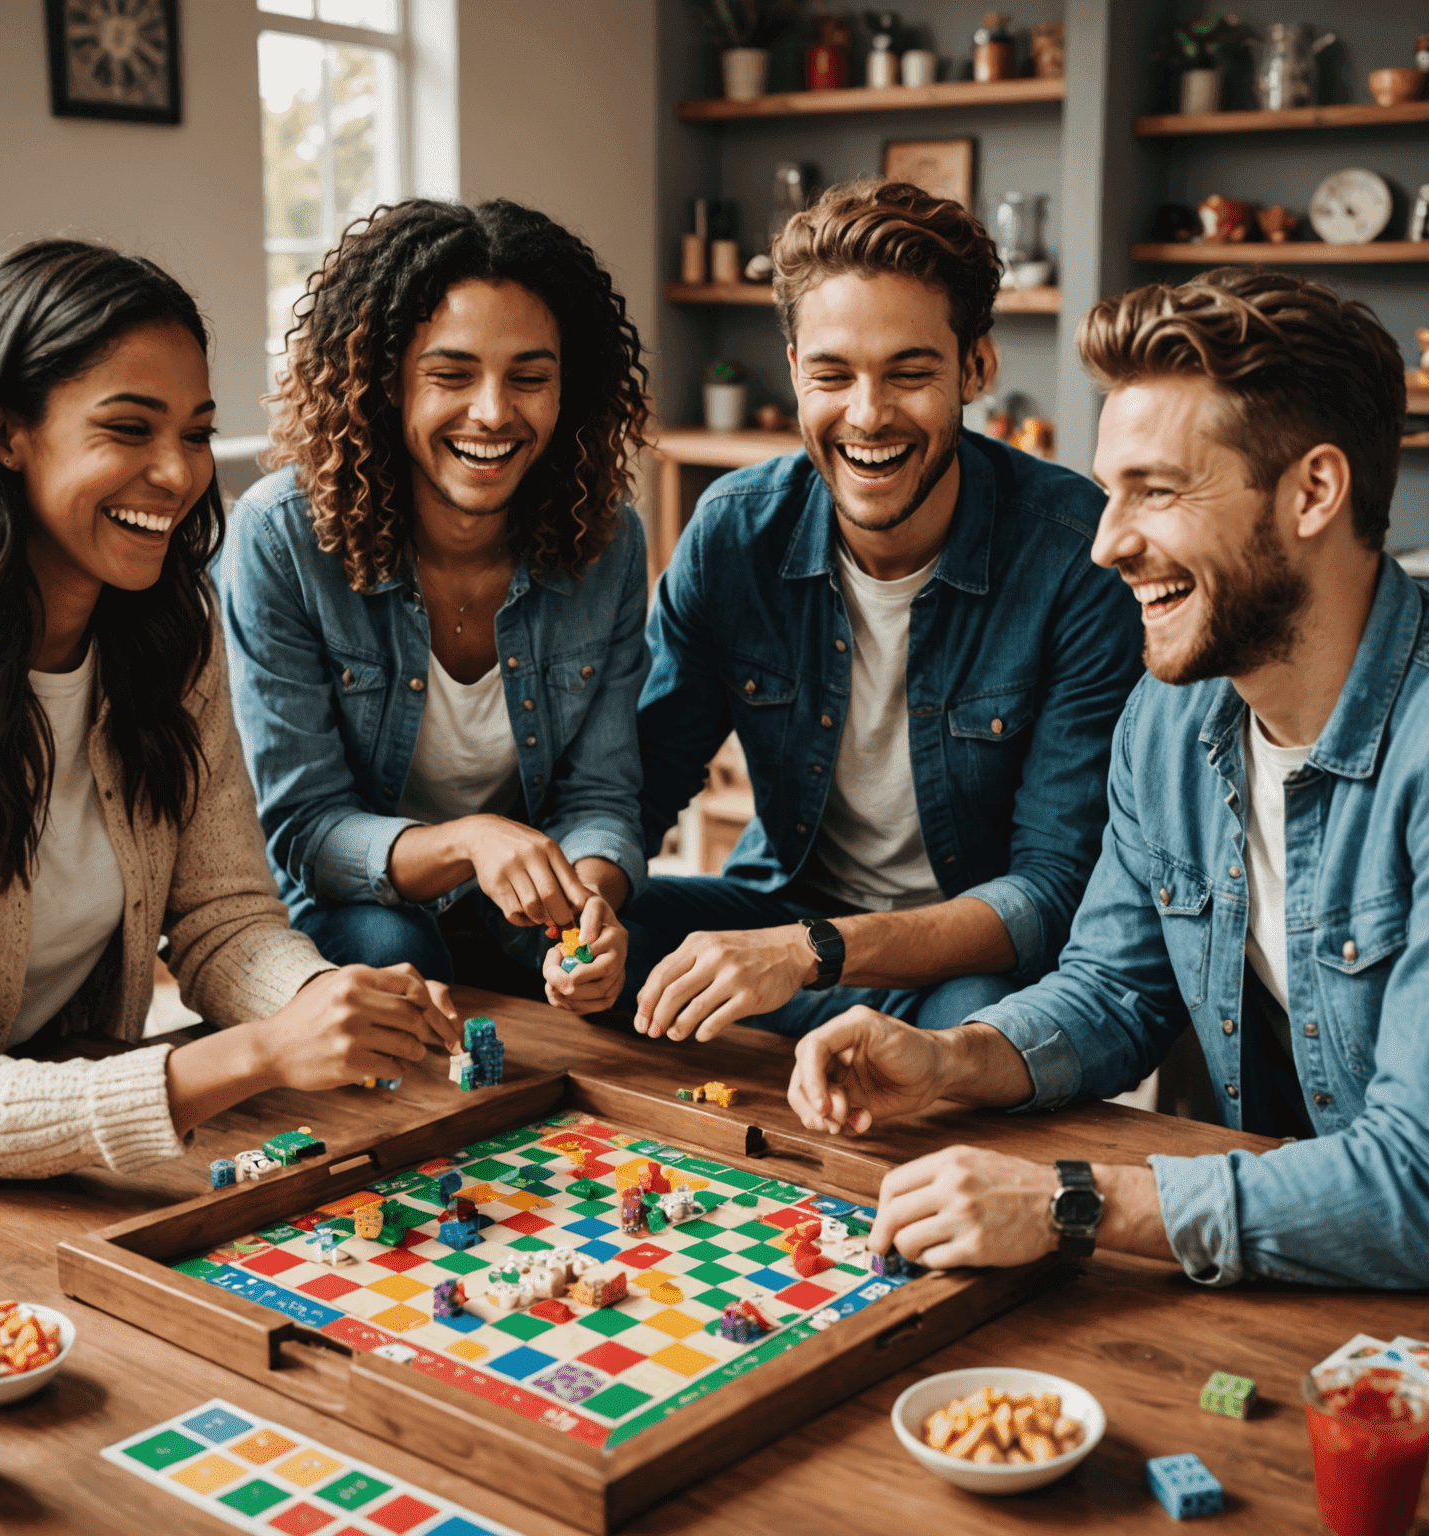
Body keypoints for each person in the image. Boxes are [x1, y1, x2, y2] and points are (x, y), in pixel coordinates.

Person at [789, 267, 1425, 1289]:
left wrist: (1069, 1203)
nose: (1106, 542)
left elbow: (1415, 1183)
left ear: (1314, 491)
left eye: (1158, 491)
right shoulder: (1171, 716)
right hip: (1279, 1271)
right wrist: (953, 1061)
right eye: (1110, 487)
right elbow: (1115, 988)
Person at [0, 241, 463, 1184]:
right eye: (129, 428)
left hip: (54, 1129)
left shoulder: (169, 629)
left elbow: (223, 915)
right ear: (6, 430)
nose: (177, 473)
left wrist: (328, 998)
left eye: (196, 433)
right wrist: (262, 1054)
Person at [623, 179, 1142, 1042]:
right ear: (793, 369)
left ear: (975, 366)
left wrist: (811, 952)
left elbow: (1051, 891)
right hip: (784, 909)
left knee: (975, 1032)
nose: (867, 416)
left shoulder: (1072, 553)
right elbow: (639, 784)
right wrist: (590, 912)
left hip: (965, 957)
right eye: (832, 373)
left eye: (910, 373)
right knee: (595, 936)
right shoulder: (734, 533)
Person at [220, 199, 650, 1019]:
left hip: (521, 911)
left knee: (639, 968)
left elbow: (602, 796)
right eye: (450, 374)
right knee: (397, 956)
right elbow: (304, 833)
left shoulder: (608, 542)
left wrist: (590, 909)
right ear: (387, 384)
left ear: (571, 390)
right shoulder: (281, 537)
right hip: (352, 903)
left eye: (530, 376)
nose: (493, 412)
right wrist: (468, 841)